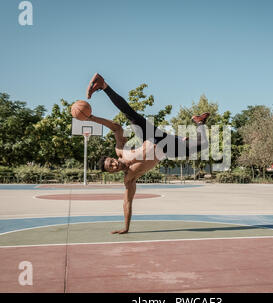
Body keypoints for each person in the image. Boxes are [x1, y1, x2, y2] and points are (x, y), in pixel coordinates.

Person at [84, 73, 210, 234]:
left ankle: (103, 85)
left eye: (112, 161)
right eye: (111, 167)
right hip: (166, 148)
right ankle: (199, 122)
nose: (114, 164)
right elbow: (127, 202)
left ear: (113, 158)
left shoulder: (121, 151)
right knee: (203, 144)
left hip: (152, 137)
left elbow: (116, 127)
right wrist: (126, 227)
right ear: (111, 172)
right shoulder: (129, 179)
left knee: (130, 113)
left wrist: (92, 118)